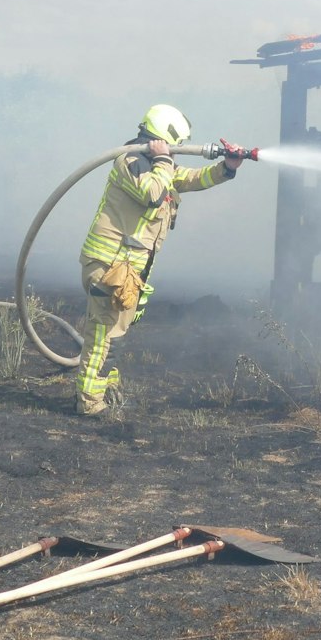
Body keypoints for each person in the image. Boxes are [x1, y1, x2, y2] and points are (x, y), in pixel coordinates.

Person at [73, 104, 244, 416]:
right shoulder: (130, 161)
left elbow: (192, 178)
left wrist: (227, 168)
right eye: (174, 146)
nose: (177, 152)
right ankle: (90, 403)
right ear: (163, 138)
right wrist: (164, 160)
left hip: (127, 269)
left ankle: (107, 391)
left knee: (116, 336)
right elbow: (152, 194)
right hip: (109, 266)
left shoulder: (158, 167)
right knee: (103, 338)